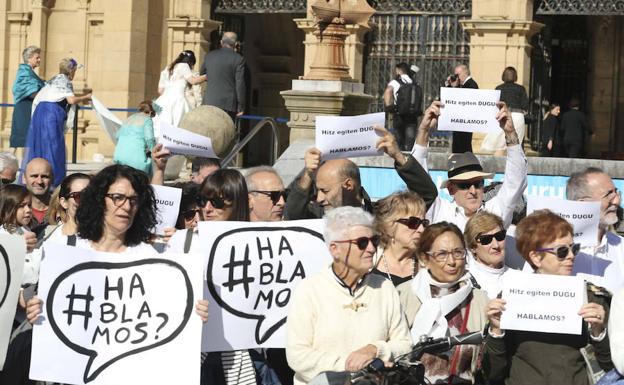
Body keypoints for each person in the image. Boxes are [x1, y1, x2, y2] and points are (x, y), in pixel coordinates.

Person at [286, 206, 411, 385]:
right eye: (361, 242)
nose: (371, 249)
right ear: (335, 249)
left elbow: (405, 344)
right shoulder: (309, 290)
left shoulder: (384, 287)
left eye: (374, 241)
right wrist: (348, 368)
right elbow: (297, 355)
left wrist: (375, 350)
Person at [485, 210, 612, 385]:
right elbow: (492, 372)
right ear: (536, 257)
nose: (571, 256)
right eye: (561, 251)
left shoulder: (589, 297)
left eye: (574, 248)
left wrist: (599, 331)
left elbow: (610, 366)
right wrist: (496, 332)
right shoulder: (511, 297)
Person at [168, 168, 256, 385]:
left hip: (240, 353)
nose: (207, 209)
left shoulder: (256, 243)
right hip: (194, 352)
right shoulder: (182, 241)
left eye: (217, 202)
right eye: (203, 200)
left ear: (237, 203)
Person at [412, 101, 527, 231]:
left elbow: (516, 181)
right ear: (450, 189)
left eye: (478, 183)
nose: (473, 191)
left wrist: (510, 133)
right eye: (464, 185)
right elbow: (419, 182)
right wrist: (424, 131)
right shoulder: (439, 212)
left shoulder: (495, 212)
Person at [396, 222, 489, 384]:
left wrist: (496, 332)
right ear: (424, 258)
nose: (452, 261)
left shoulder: (479, 300)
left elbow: (491, 365)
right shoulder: (403, 295)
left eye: (458, 253)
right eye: (442, 254)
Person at [284, 127, 438, 219]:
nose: (319, 198)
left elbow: (426, 195)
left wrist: (398, 156)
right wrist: (308, 172)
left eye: (325, 191)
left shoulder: (381, 216)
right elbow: (292, 214)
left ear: (348, 185)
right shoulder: (318, 217)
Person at [23, 58, 91, 187]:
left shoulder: (53, 79)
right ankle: (54, 181)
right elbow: (71, 100)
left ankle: (37, 177)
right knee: (54, 148)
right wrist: (85, 97)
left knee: (40, 147)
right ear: (71, 71)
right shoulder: (64, 80)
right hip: (51, 114)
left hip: (40, 113)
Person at [567, 167, 624, 293]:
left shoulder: (621, 248)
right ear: (583, 204)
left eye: (616, 193)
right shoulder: (552, 251)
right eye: (609, 195)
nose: (617, 201)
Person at [372, 190, 427, 286]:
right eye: (413, 223)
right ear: (388, 226)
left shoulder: (427, 266)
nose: (421, 230)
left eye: (424, 223)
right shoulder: (368, 264)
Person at [154, 50, 207, 136]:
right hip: (178, 99)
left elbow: (160, 90)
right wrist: (206, 76)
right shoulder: (183, 65)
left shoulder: (167, 68)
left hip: (163, 100)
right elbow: (193, 81)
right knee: (179, 126)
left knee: (163, 126)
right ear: (190, 62)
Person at [482, 67, 529, 155]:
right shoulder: (521, 89)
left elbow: (495, 105)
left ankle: (497, 167)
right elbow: (525, 106)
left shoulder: (498, 88)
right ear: (515, 76)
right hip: (518, 116)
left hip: (503, 115)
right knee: (515, 144)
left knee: (500, 145)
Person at [200, 32, 246, 121]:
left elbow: (202, 73)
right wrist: (241, 106)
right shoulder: (238, 59)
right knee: (225, 133)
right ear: (236, 44)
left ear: (221, 42)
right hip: (228, 104)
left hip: (209, 101)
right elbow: (239, 84)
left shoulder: (209, 55)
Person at [464, 211, 510, 298]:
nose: (496, 245)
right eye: (486, 240)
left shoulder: (520, 279)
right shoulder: (464, 283)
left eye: (500, 236)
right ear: (472, 247)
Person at [0, 184, 40, 285]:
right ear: (7, 208)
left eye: (29, 205)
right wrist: (17, 246)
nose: (28, 210)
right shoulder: (3, 234)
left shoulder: (26, 230)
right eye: (21, 206)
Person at [10, 45, 45, 152]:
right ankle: (5, 165)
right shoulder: (24, 71)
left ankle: (26, 165)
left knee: (27, 139)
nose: (39, 60)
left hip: (30, 107)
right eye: (37, 57)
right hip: (24, 107)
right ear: (29, 58)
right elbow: (29, 91)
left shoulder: (29, 72)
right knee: (20, 139)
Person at [383, 62, 422, 151]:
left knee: (399, 139)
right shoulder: (414, 82)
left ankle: (400, 158)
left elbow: (388, 91)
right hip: (412, 116)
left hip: (399, 115)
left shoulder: (395, 82)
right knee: (410, 140)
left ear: (398, 70)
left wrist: (389, 106)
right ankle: (408, 156)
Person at [43, 172, 91, 243]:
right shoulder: (47, 238)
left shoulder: (107, 239)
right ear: (64, 202)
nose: (86, 201)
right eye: (78, 196)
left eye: (92, 195)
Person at [113, 100, 156, 174]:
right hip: (137, 160)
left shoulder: (129, 118)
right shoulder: (147, 119)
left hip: (119, 157)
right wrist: (154, 151)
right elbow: (149, 139)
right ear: (150, 112)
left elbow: (117, 136)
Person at [445, 64, 478, 153]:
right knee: (459, 146)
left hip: (465, 123)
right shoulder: (464, 85)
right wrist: (450, 86)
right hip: (460, 122)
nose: (456, 78)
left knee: (463, 146)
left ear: (464, 74)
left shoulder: (471, 84)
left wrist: (455, 87)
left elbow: (461, 101)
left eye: (457, 75)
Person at [22, 158, 53, 236]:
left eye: (45, 176)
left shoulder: (62, 209)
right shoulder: (13, 210)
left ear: (52, 179)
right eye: (34, 176)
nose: (39, 181)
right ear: (24, 178)